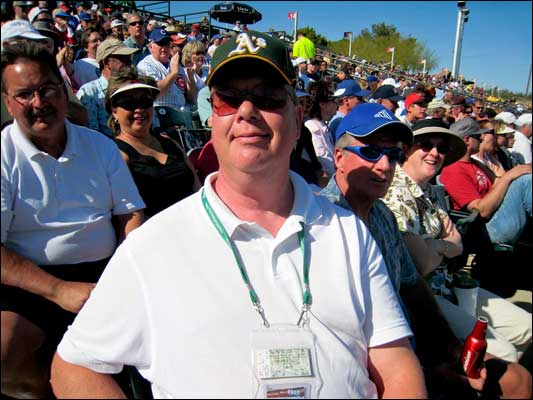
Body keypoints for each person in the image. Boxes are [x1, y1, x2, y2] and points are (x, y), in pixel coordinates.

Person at [51, 30, 426, 399]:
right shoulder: (153, 245)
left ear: (296, 120)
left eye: (266, 98)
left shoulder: (348, 231)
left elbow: (394, 361)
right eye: (228, 99)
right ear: (212, 118)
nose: (247, 111)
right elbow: (74, 365)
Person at [322, 107, 532, 399]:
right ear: (339, 157)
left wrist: (450, 346)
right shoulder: (322, 221)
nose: (385, 165)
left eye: (394, 155)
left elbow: (413, 285)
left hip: (413, 339)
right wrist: (429, 371)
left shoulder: (381, 213)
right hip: (372, 362)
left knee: (518, 379)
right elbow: (342, 333)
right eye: (370, 152)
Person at [1, 41, 145, 399]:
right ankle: (44, 390)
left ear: (64, 91)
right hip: (30, 282)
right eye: (24, 94)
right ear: (7, 103)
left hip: (105, 275)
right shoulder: (3, 154)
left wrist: (126, 275)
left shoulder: (100, 146)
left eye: (47, 89)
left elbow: (130, 215)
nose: (39, 103)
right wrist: (58, 290)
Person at [383, 118, 532, 363]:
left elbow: (457, 240)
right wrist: (445, 245)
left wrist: (437, 246)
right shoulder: (395, 189)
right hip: (425, 297)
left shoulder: (429, 190)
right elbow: (420, 264)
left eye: (441, 148)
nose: (435, 153)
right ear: (407, 149)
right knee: (504, 353)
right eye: (426, 145)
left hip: (451, 284)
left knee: (526, 326)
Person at [105, 69, 201, 218]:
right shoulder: (117, 155)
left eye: (145, 101)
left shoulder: (170, 143)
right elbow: (130, 218)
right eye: (129, 103)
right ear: (114, 111)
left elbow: (198, 191)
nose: (139, 109)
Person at [440, 117, 532, 246]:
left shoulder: (475, 164)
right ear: (467, 140)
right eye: (478, 136)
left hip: (498, 217)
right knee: (525, 183)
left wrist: (508, 174)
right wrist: (508, 177)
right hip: (485, 229)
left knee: (523, 179)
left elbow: (500, 184)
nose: (482, 139)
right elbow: (481, 211)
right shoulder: (454, 169)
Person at [76, 38, 138, 137]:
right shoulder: (90, 92)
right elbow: (91, 135)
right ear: (106, 63)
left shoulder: (135, 87)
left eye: (129, 58)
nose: (129, 63)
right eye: (123, 59)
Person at [137, 27, 186, 111]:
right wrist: (173, 73)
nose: (164, 47)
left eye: (166, 43)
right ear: (150, 46)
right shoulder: (145, 65)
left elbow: (189, 96)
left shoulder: (175, 64)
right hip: (161, 112)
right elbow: (156, 92)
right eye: (160, 43)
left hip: (182, 110)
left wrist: (191, 78)